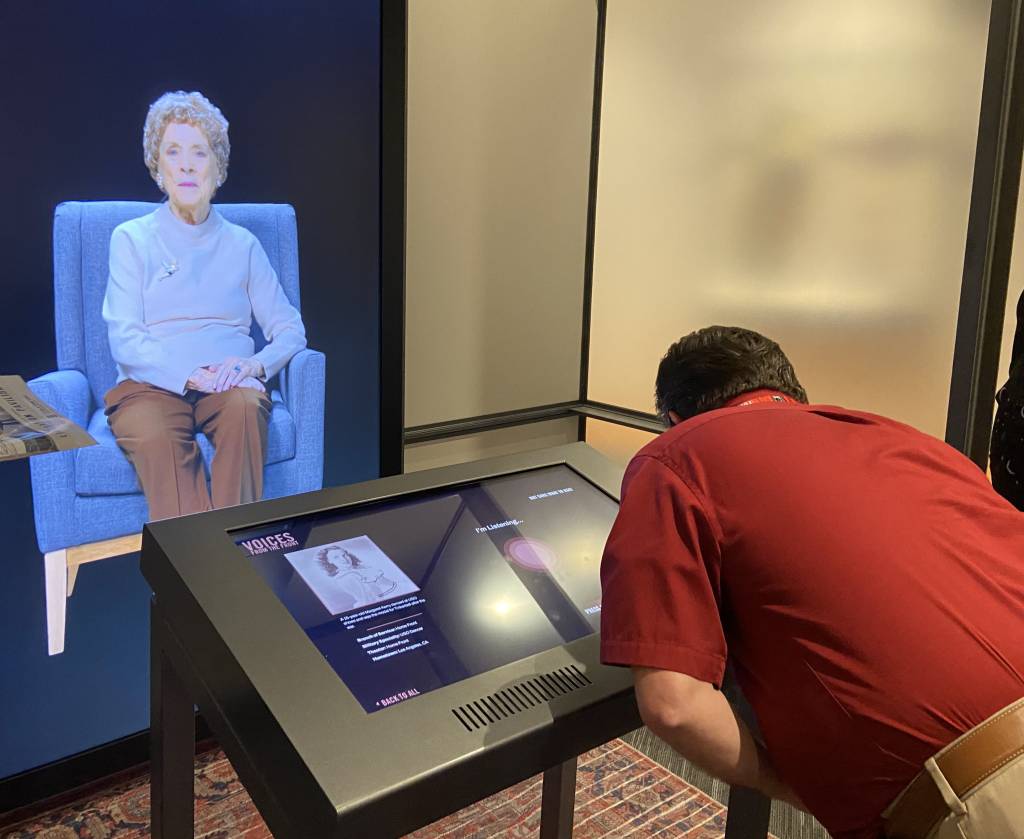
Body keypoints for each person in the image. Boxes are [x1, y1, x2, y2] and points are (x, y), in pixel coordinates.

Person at [599, 326, 1024, 839]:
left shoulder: (673, 455)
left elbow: (675, 704)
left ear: (672, 418)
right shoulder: (905, 437)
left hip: (984, 788)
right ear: (793, 392)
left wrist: (782, 784)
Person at [102, 91, 306, 520]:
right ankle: (198, 574)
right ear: (158, 168)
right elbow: (125, 339)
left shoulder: (243, 245)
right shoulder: (131, 239)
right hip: (150, 388)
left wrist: (253, 367)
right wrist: (190, 374)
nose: (187, 165)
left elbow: (290, 329)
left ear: (218, 167)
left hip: (227, 384)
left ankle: (237, 556)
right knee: (158, 437)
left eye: (200, 152)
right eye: (173, 152)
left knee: (247, 408)